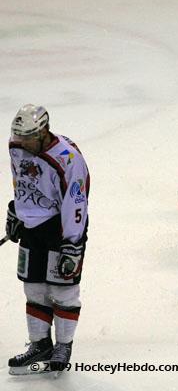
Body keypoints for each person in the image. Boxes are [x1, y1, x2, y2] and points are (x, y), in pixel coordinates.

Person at [5, 104, 90, 374]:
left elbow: (76, 202)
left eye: (28, 137)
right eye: (19, 137)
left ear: (43, 132)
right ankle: (40, 344)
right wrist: (16, 211)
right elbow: (20, 180)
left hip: (61, 228)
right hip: (32, 228)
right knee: (34, 288)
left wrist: (72, 244)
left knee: (63, 290)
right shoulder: (17, 145)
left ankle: (63, 346)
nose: (21, 143)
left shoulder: (68, 159)